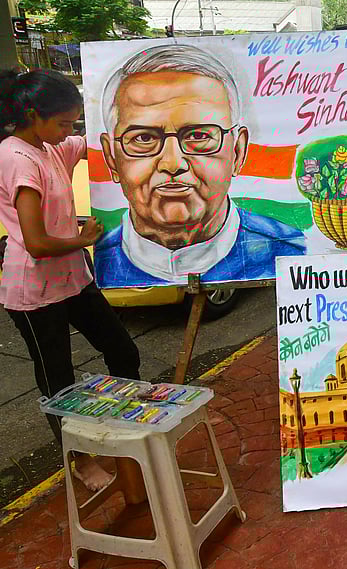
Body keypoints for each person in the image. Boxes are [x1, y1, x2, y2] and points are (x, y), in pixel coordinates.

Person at [0, 69, 142, 491]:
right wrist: (81, 239)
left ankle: (128, 430)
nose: (69, 132)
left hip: (72, 279)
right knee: (57, 379)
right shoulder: (16, 158)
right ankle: (78, 459)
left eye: (72, 124)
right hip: (32, 290)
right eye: (63, 123)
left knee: (121, 350)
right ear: (31, 114)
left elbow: (98, 141)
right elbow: (37, 242)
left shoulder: (49, 146)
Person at [95, 44, 307, 288]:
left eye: (198, 136)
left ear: (238, 151)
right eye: (143, 138)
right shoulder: (98, 261)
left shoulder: (294, 253)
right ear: (111, 157)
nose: (172, 163)